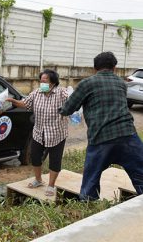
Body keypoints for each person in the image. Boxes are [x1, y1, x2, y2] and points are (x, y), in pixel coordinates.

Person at [60, 51, 143, 200]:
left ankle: (87, 205)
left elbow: (67, 110)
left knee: (90, 180)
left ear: (94, 68)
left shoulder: (86, 83)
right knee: (141, 174)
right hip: (128, 135)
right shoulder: (121, 84)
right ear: (114, 67)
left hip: (100, 138)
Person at [6, 69, 68, 196]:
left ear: (53, 82)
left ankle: (51, 185)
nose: (42, 83)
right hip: (39, 132)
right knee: (35, 157)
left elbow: (72, 102)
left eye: (45, 81)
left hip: (57, 133)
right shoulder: (37, 93)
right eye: (41, 81)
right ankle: (38, 179)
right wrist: (13, 101)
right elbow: (25, 104)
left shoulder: (61, 93)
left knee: (55, 160)